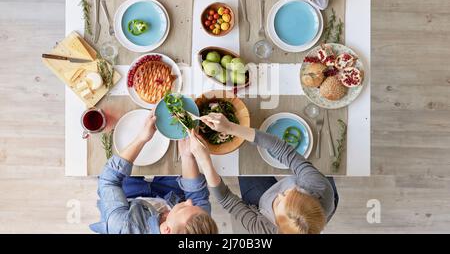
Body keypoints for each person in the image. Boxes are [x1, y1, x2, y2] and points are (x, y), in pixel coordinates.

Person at [188, 113, 338, 234]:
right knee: (323, 171)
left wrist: (204, 161)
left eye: (279, 202)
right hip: (321, 190)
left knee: (245, 164)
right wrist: (230, 127)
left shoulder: (265, 230)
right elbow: (283, 150)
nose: (279, 195)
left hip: (262, 200)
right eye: (289, 193)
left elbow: (227, 200)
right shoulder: (318, 186)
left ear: (277, 224)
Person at [90, 110, 218, 234]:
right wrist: (187, 156)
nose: (190, 203)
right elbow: (198, 198)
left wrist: (141, 138)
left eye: (184, 208)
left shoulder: (122, 226)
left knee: (106, 162)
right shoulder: (200, 228)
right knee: (174, 162)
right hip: (168, 197)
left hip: (129, 200)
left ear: (167, 230)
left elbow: (109, 180)